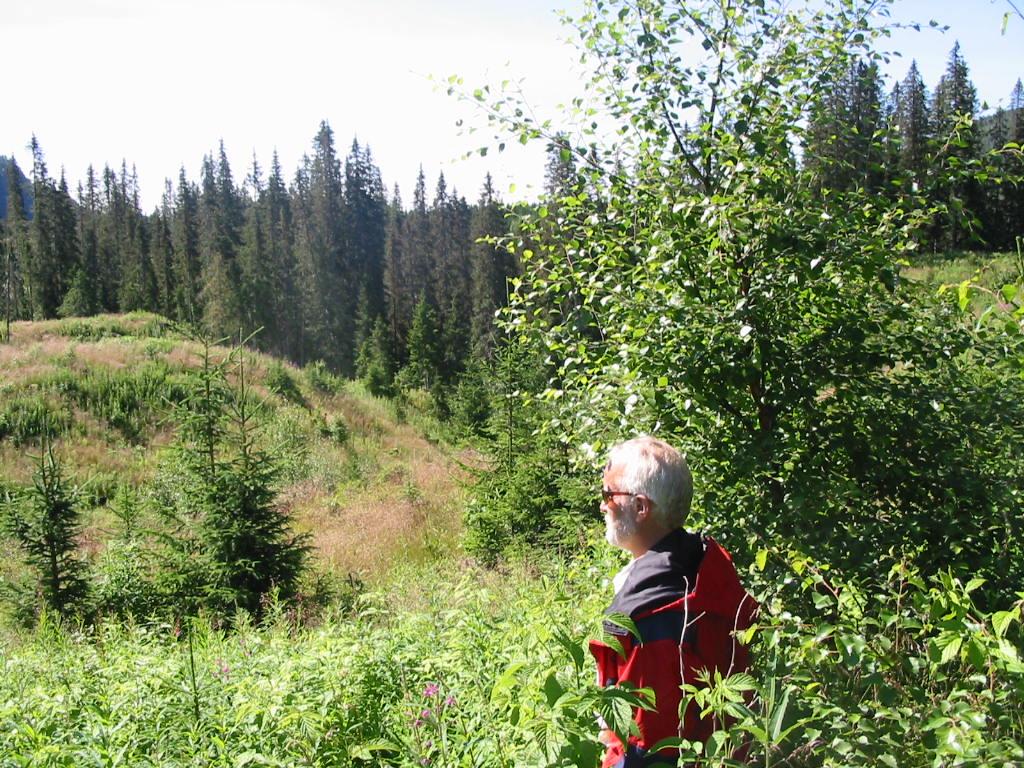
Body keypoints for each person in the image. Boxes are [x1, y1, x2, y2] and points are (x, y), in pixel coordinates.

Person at [589, 436, 756, 767]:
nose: (602, 505)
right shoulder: (703, 567)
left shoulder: (654, 615)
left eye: (609, 495)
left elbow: (648, 745)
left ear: (640, 507)